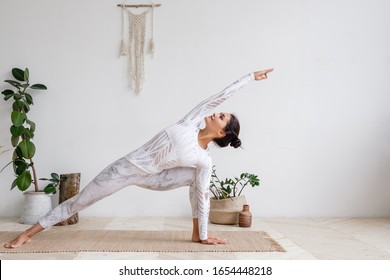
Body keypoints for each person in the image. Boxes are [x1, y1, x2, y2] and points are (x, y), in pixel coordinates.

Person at [4, 68, 273, 248]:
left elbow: (202, 198)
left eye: (221, 117)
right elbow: (218, 96)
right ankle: (28, 234)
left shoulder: (203, 159)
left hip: (156, 178)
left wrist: (204, 233)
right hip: (126, 169)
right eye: (219, 112)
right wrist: (249, 78)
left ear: (222, 132)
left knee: (199, 181)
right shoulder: (191, 122)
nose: (216, 113)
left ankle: (197, 235)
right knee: (82, 200)